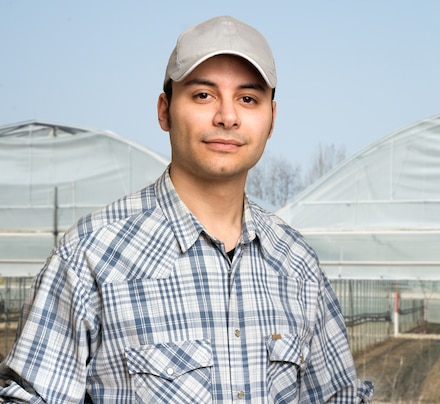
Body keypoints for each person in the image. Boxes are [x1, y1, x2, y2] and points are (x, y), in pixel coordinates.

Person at [0, 15, 373, 403]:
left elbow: (335, 397)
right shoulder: (92, 255)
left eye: (247, 99)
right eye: (203, 95)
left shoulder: (298, 265)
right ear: (164, 111)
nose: (227, 117)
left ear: (272, 120)